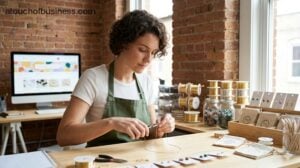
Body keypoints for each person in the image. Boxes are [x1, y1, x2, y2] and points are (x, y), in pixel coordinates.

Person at [57, 10, 175, 147]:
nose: (149, 59)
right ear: (123, 44)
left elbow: (150, 134)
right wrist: (111, 123)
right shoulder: (93, 78)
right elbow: (64, 136)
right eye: (142, 50)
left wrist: (161, 129)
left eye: (153, 53)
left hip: (139, 159)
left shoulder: (146, 82)